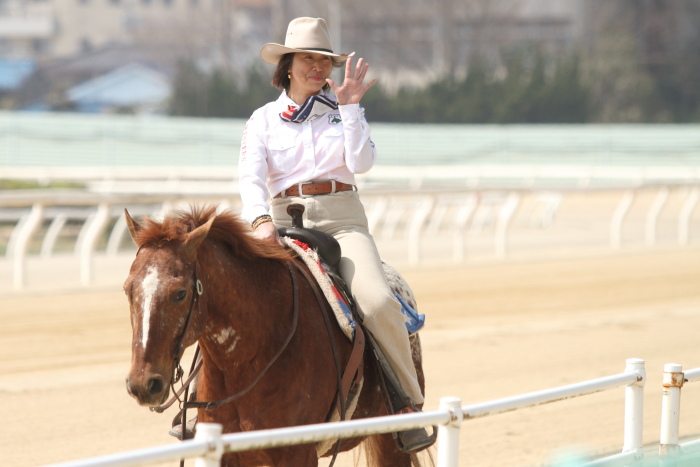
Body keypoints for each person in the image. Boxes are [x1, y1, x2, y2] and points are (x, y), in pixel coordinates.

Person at [237, 17, 433, 452]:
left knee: (379, 302)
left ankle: (408, 406)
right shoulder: (262, 120)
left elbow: (361, 163)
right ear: (287, 64)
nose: (318, 68)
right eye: (309, 58)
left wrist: (350, 107)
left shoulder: (344, 109)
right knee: (234, 301)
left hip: (343, 222)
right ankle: (209, 408)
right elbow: (250, 180)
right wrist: (260, 222)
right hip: (281, 223)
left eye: (324, 60)